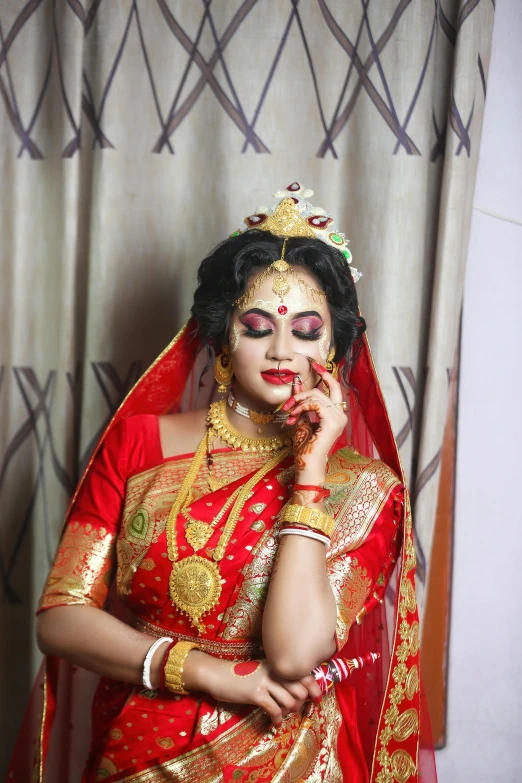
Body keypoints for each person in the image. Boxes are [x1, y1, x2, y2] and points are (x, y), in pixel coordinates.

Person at [7, 183, 436, 782]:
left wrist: (310, 473)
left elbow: (291, 654)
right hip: (140, 740)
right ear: (222, 337)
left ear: (335, 347)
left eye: (307, 330)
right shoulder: (138, 444)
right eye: (258, 326)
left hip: (285, 755)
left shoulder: (365, 488)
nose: (282, 350)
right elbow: (60, 618)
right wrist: (203, 670)